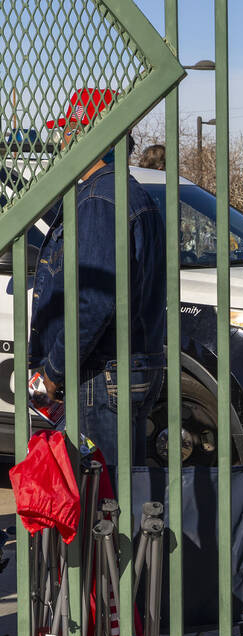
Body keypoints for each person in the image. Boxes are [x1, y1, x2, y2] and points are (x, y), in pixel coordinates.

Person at [30, 88, 166, 465]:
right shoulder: (129, 194)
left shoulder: (98, 200)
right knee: (118, 492)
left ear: (95, 135)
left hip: (99, 375)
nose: (63, 145)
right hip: (127, 367)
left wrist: (54, 373)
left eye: (70, 133)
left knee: (97, 501)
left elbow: (93, 300)